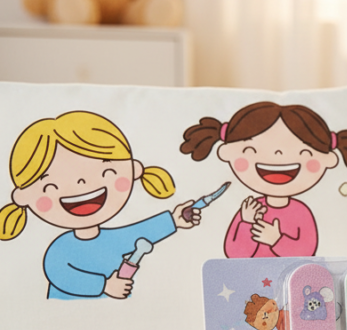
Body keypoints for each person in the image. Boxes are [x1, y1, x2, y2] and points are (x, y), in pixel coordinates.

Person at [1, 110, 200, 299]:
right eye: (51, 184)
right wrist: (104, 286)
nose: (81, 183)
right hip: (66, 319)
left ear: (133, 170)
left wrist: (174, 220)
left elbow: (138, 232)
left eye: (106, 171)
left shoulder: (112, 238)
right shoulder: (61, 248)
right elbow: (59, 274)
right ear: (24, 196)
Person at [181, 101, 347, 257]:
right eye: (251, 150)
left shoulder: (301, 212)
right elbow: (234, 255)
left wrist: (276, 240)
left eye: (303, 152)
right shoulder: (250, 209)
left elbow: (307, 251)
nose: (278, 153)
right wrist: (246, 223)